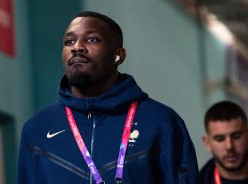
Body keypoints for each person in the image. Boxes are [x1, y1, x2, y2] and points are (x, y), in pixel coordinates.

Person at [18, 11, 199, 184]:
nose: (77, 47)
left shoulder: (161, 122)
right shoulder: (37, 129)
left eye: (91, 39)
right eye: (69, 41)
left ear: (118, 56)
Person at [200, 100, 248, 184]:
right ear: (207, 143)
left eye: (236, 136)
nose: (229, 146)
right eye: (220, 139)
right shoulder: (197, 181)